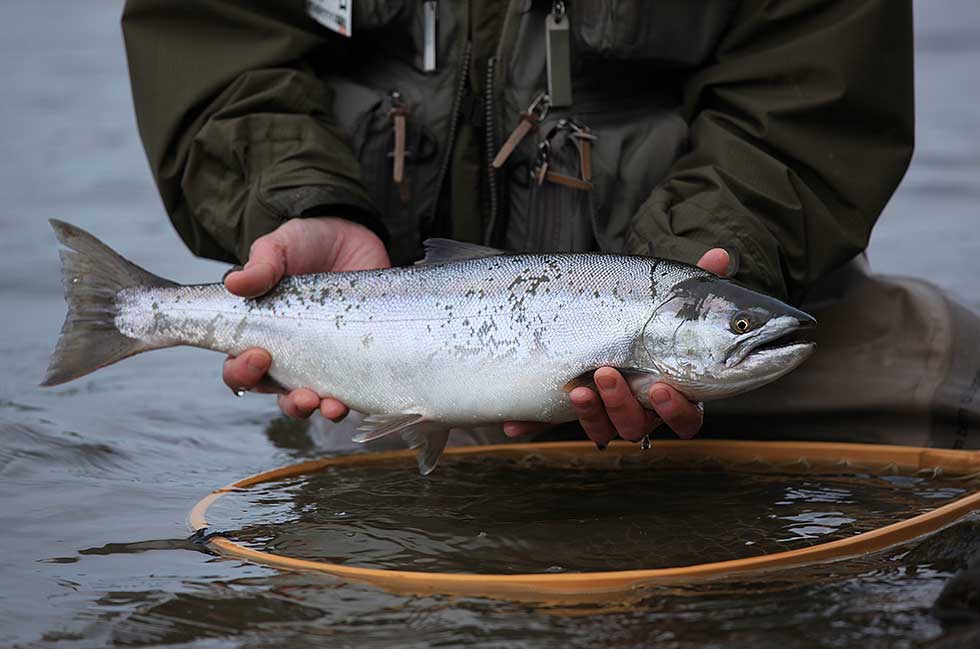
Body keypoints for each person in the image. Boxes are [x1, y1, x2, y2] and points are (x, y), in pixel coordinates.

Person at [121, 1, 979, 449]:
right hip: (374, 280)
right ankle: (142, 313)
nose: (746, 332)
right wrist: (303, 206)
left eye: (736, 326)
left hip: (742, 253)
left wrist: (715, 252)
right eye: (738, 326)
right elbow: (215, 47)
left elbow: (814, 103)